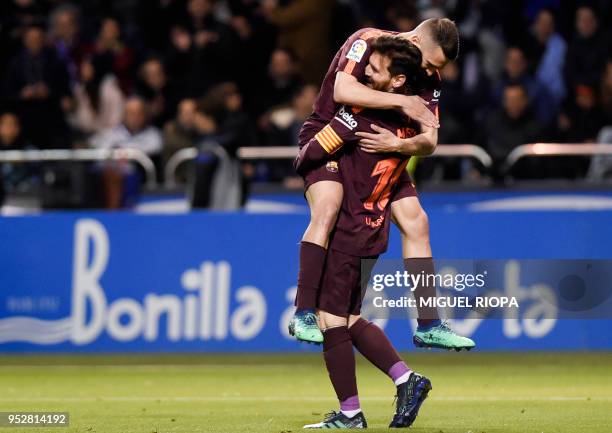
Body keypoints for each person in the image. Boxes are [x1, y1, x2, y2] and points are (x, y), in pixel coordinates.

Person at [288, 18, 475, 351]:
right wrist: (403, 103)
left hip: (381, 146)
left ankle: (429, 324)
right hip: (332, 136)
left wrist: (399, 146)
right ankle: (303, 312)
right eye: (430, 62)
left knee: (417, 222)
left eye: (437, 67)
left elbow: (429, 139)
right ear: (416, 40)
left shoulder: (428, 77)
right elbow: (342, 90)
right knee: (328, 206)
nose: (430, 71)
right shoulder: (367, 42)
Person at [295, 37, 432, 429]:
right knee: (349, 317)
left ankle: (352, 413)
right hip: (374, 230)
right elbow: (428, 141)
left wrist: (333, 131)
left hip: (350, 228)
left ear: (396, 80)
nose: (365, 71)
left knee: (330, 321)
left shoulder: (359, 115)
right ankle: (407, 379)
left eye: (375, 68)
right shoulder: (407, 123)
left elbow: (307, 157)